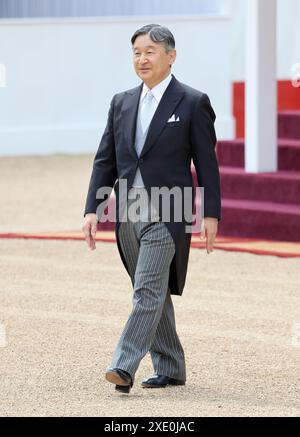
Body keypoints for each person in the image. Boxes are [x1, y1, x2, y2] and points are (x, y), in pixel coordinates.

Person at [82, 24, 221, 394]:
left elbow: (207, 164)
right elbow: (105, 160)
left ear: (171, 56)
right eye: (136, 52)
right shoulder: (121, 101)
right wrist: (93, 208)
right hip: (127, 213)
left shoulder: (193, 102)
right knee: (151, 288)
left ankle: (123, 365)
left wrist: (210, 214)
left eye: (150, 52)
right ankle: (172, 366)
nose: (142, 59)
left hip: (168, 212)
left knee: (146, 290)